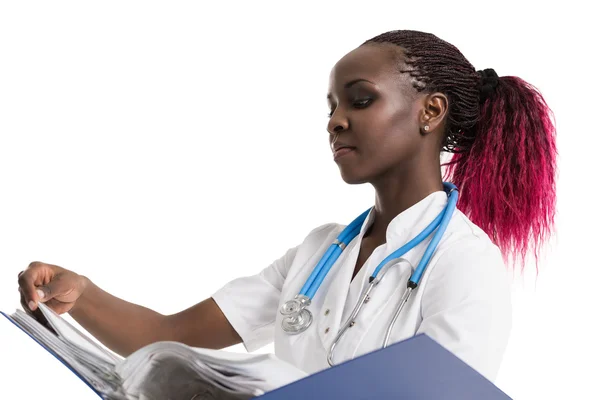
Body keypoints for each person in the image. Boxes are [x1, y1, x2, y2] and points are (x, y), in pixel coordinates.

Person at [17, 30, 557, 383]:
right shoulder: (320, 250)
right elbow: (169, 336)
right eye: (331, 106)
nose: (335, 120)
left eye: (360, 99)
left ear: (430, 111)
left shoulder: (466, 264)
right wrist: (82, 296)